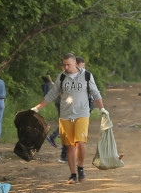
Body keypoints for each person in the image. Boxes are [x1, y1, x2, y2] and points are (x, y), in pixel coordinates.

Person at [33, 52, 105, 184]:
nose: (66, 67)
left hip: (82, 114)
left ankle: (81, 167)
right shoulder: (61, 77)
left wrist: (102, 109)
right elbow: (52, 94)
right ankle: (73, 174)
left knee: (81, 143)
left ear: (75, 63)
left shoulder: (86, 76)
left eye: (68, 65)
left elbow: (95, 92)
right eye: (64, 65)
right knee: (70, 146)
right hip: (65, 115)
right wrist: (37, 108)